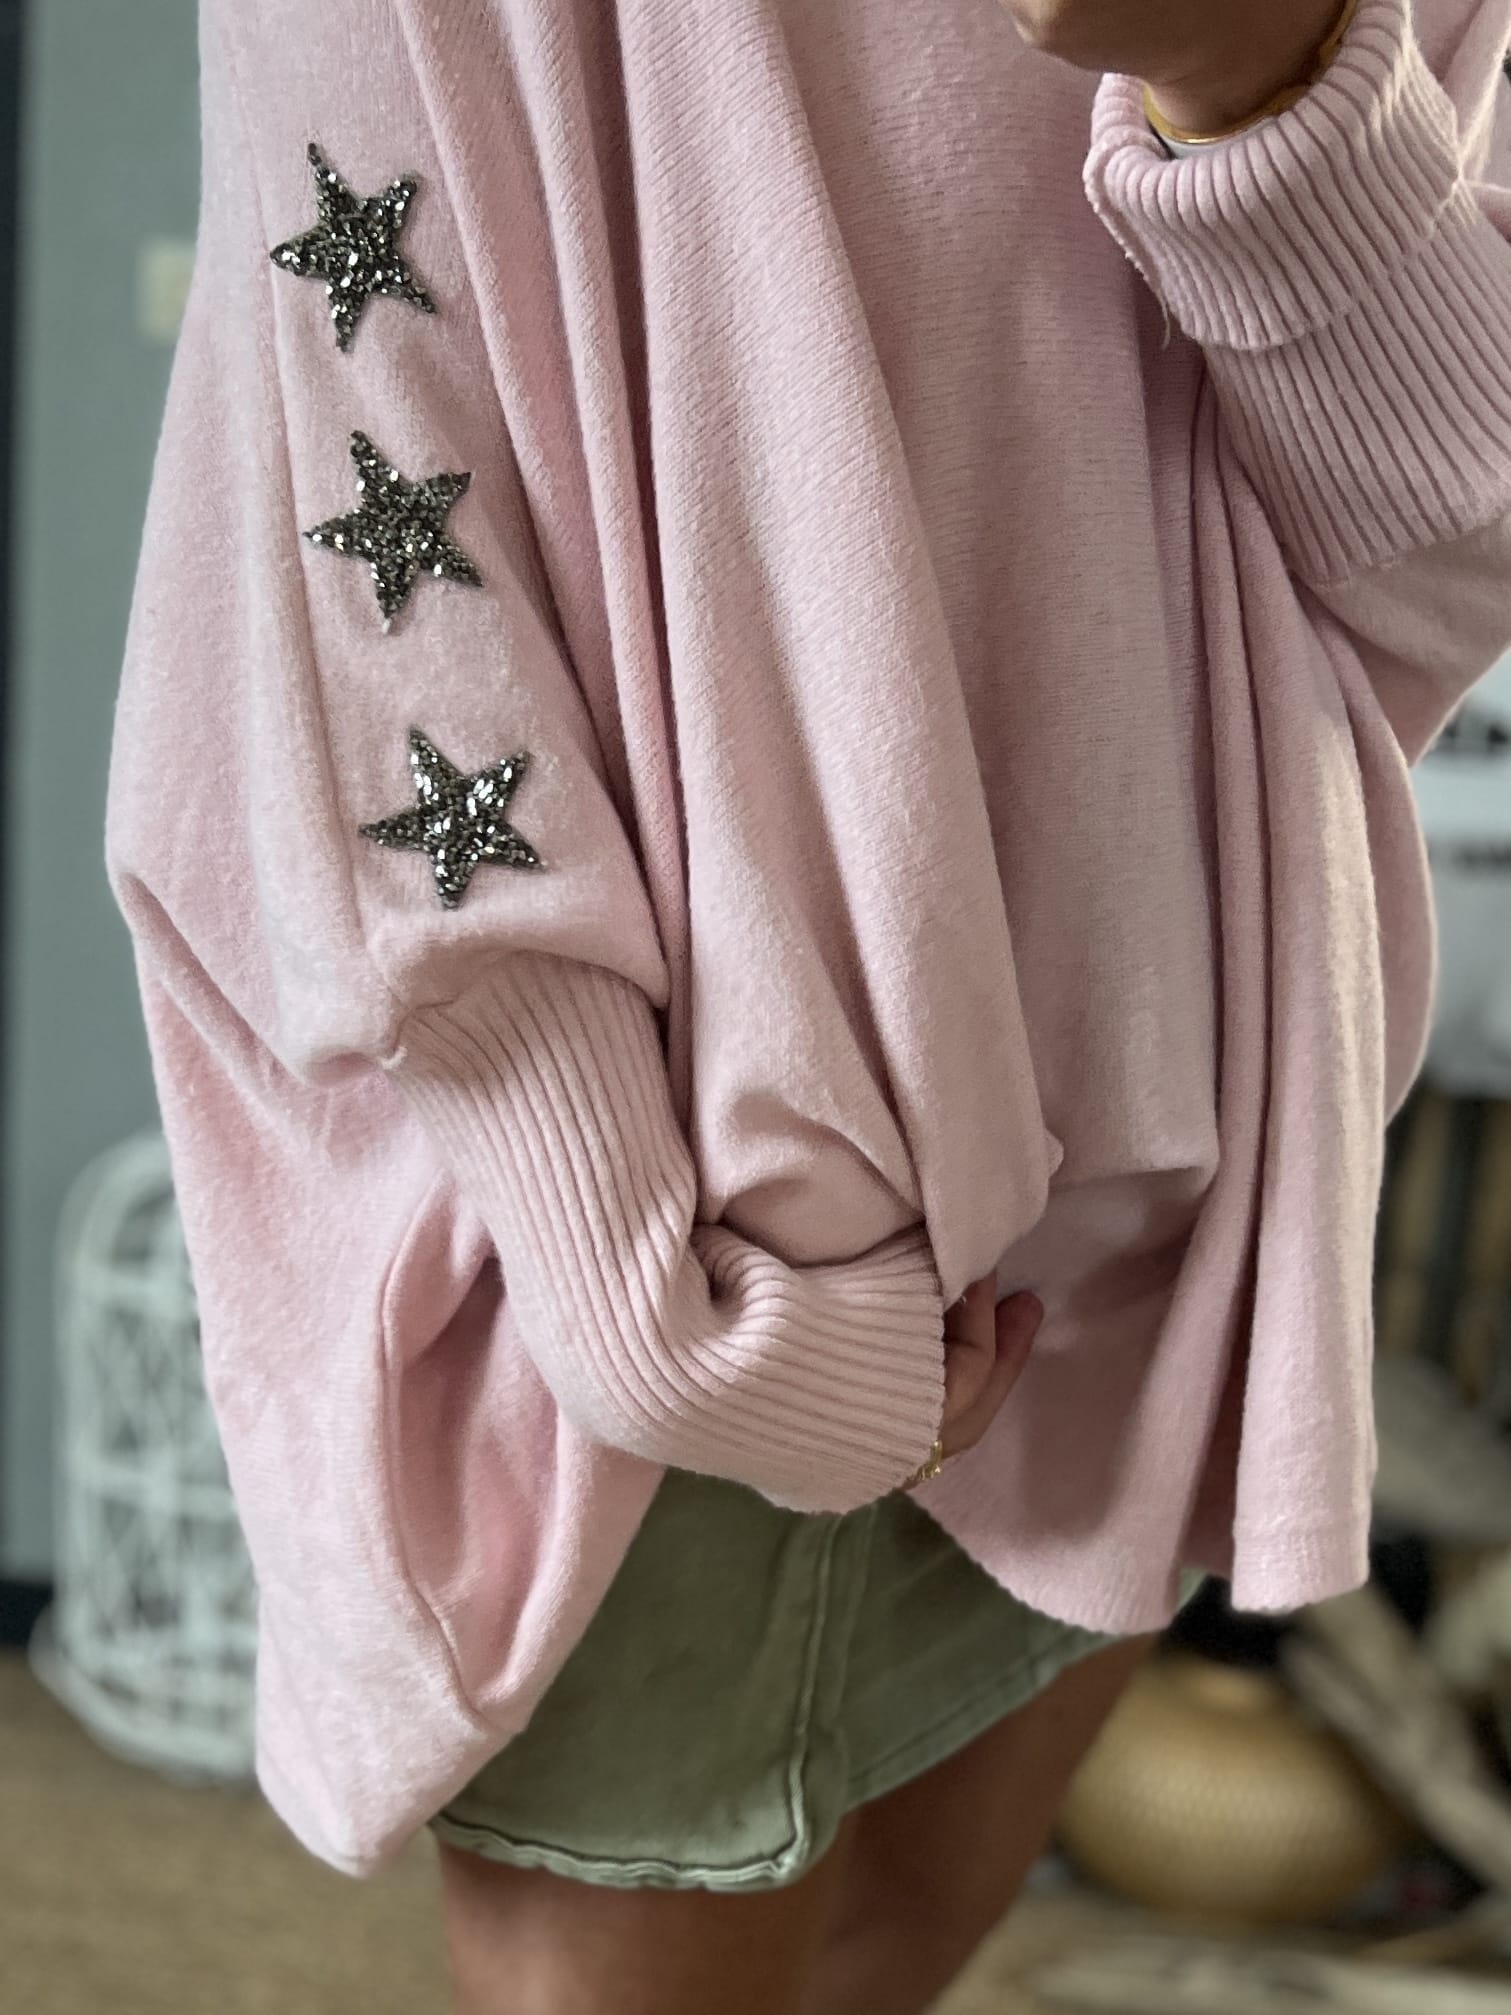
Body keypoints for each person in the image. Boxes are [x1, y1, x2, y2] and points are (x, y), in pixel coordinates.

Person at [105, 0, 1511, 2008]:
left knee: (888, 1956)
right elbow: (368, 510)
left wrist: (1260, 87)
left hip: (1159, 1153)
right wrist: (641, 1294)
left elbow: (1448, 550)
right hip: (673, 1176)